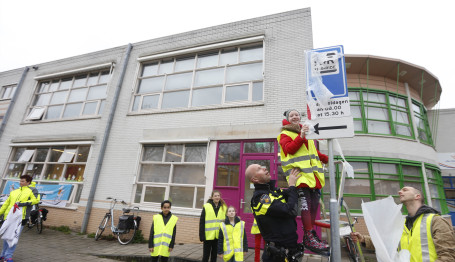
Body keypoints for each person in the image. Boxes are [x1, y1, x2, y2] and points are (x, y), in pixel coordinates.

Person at [351, 186, 455, 262]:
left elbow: (448, 256)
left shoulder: (436, 221)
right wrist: (363, 239)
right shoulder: (402, 224)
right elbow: (388, 244)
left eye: (405, 190)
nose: (399, 191)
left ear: (417, 196)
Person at [277, 109, 329, 254]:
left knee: (313, 207)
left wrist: (326, 158)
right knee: (306, 207)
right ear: (288, 118)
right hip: (299, 176)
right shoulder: (284, 134)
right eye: (291, 115)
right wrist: (301, 135)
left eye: (296, 115)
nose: (295, 117)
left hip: (313, 177)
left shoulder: (307, 133)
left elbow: (312, 152)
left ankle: (311, 236)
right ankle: (308, 236)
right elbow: (290, 149)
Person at [246, 164, 303, 262]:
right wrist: (292, 185)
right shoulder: (260, 198)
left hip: (292, 251)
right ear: (255, 179)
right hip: (277, 256)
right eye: (259, 169)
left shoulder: (274, 191)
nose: (264, 168)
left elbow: (291, 195)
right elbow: (290, 210)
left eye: (262, 166)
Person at [0, 175, 39, 262]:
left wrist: (22, 203)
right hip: (8, 217)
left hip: (21, 218)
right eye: (20, 181)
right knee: (7, 237)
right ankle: (2, 255)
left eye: (23, 181)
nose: (20, 183)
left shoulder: (32, 190)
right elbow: (6, 203)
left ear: (28, 182)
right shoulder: (14, 192)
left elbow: (35, 200)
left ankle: (8, 256)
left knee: (14, 237)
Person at [199, 190, 227, 262]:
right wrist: (202, 235)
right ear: (212, 197)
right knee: (206, 256)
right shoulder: (207, 206)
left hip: (218, 236)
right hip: (208, 236)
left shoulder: (224, 207)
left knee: (214, 256)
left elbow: (227, 220)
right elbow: (202, 222)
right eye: (215, 196)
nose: (217, 197)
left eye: (218, 196)